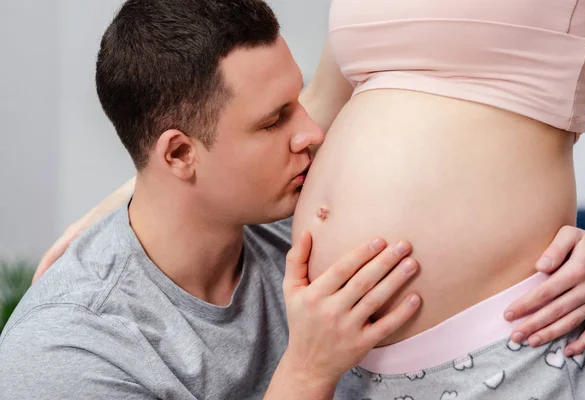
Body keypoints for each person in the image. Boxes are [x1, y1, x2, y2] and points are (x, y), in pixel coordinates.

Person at [31, 0, 585, 398]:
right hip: (352, 373)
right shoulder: (74, 341)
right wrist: (116, 207)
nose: (309, 136)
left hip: (512, 335)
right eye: (278, 120)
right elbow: (319, 102)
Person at [0, 1, 424, 399]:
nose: (312, 133)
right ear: (180, 155)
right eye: (274, 120)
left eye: (299, 100)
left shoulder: (285, 224)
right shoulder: (68, 351)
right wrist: (308, 370)